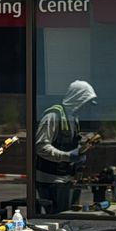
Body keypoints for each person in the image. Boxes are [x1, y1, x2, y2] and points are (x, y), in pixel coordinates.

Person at [34, 80, 96, 216]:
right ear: (78, 99)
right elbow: (41, 146)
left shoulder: (73, 118)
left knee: (68, 216)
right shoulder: (53, 116)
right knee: (57, 217)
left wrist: (82, 146)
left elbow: (68, 141)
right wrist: (68, 156)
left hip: (66, 178)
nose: (88, 108)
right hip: (51, 179)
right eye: (86, 104)